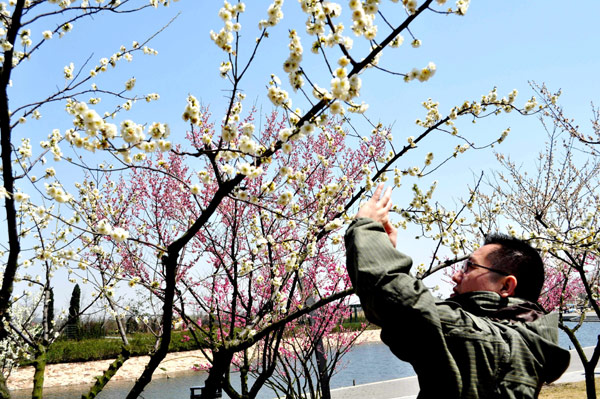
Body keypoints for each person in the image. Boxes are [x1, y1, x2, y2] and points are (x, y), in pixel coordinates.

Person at [345, 184, 570, 398]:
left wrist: (366, 227)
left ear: (506, 286)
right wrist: (383, 251)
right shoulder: (523, 342)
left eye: (469, 267)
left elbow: (404, 302)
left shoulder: (494, 343)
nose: (455, 276)